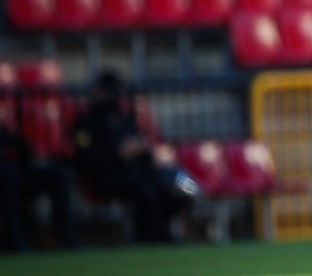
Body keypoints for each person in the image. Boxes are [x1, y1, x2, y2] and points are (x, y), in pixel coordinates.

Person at [71, 71, 180, 243]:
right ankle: (153, 238)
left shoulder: (123, 118)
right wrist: (118, 153)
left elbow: (139, 142)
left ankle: (161, 232)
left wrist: (145, 148)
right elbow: (86, 159)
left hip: (139, 171)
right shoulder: (87, 121)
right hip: (108, 177)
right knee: (143, 189)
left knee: (178, 186)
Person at [0, 119, 77, 252]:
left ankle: (66, 236)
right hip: (7, 172)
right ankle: (16, 240)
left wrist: (33, 152)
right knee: (10, 179)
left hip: (23, 166)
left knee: (60, 176)